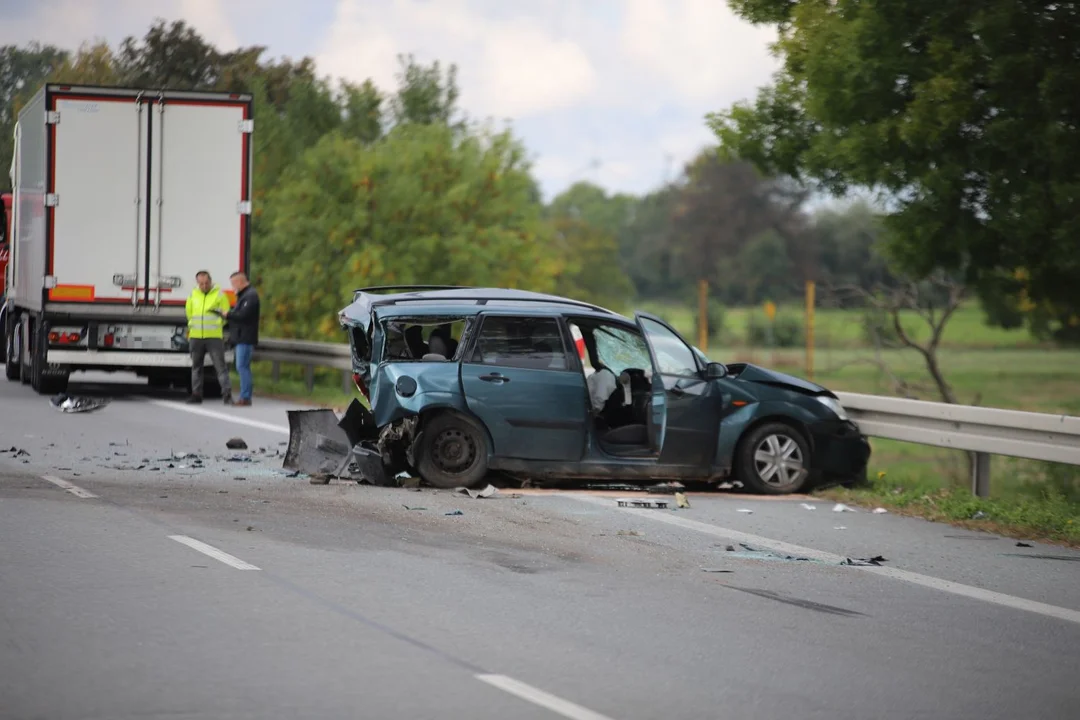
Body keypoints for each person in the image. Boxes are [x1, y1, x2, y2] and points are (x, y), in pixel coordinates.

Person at [184, 270, 233, 405]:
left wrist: (217, 325)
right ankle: (196, 394)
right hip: (196, 336)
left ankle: (227, 395)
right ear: (197, 283)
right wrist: (192, 325)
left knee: (220, 367)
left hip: (214, 337)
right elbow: (189, 313)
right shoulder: (193, 295)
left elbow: (225, 314)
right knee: (196, 367)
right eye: (201, 283)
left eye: (206, 283)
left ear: (210, 281)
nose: (204, 286)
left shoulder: (219, 295)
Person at [225, 271, 260, 407]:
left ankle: (245, 397)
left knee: (242, 366)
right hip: (241, 336)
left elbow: (243, 315)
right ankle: (245, 396)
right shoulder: (244, 295)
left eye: (234, 283)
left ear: (240, 282)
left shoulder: (250, 296)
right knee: (242, 366)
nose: (233, 286)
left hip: (245, 337)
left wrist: (228, 314)